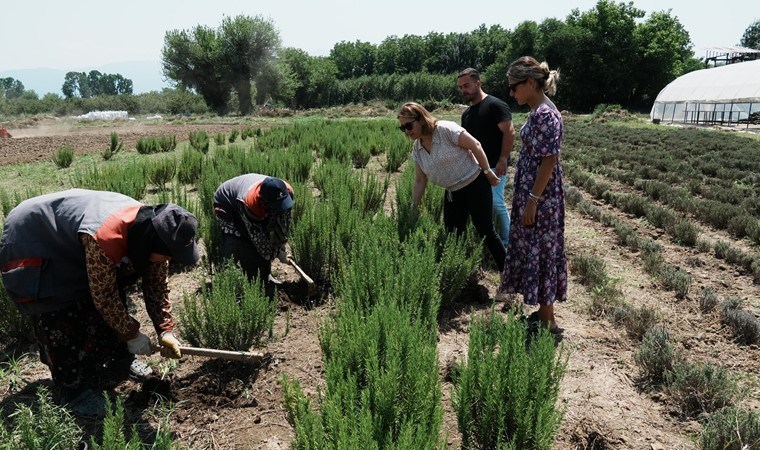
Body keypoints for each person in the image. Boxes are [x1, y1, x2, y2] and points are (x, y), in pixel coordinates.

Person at [0, 189, 201, 419]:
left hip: (77, 242)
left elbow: (156, 287)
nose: (171, 261)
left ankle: (120, 362)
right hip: (36, 237)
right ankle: (73, 391)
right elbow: (104, 296)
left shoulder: (153, 235)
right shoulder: (108, 236)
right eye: (169, 256)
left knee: (108, 294)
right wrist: (131, 334)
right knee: (60, 313)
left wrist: (165, 329)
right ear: (151, 245)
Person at [499, 57, 567, 331]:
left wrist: (533, 201)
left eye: (514, 87)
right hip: (536, 195)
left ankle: (547, 321)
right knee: (537, 251)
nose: (512, 93)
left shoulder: (544, 114)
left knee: (542, 252)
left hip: (542, 199)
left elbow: (548, 161)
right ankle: (544, 314)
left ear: (530, 82)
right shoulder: (539, 110)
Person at [398, 101, 506, 271]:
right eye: (402, 128)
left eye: (409, 125)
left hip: (474, 184)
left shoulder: (445, 129)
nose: (407, 130)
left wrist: (487, 171)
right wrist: (414, 206)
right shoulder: (417, 148)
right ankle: (459, 273)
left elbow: (475, 145)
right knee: (452, 236)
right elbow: (420, 180)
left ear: (420, 119)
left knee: (486, 231)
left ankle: (506, 277)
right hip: (452, 193)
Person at [457, 68, 516, 248]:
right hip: (474, 169)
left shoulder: (495, 105)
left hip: (495, 165)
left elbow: (510, 132)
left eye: (466, 85)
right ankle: (487, 239)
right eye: (460, 87)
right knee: (479, 205)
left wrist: (503, 158)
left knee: (496, 203)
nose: (463, 90)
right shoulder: (466, 114)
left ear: (478, 83)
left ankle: (507, 242)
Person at [213, 174, 294, 283]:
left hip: (250, 199)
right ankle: (234, 280)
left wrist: (281, 244)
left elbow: (284, 221)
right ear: (264, 202)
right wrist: (277, 254)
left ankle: (265, 276)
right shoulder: (251, 204)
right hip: (226, 204)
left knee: (265, 232)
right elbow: (259, 241)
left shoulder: (287, 191)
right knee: (240, 240)